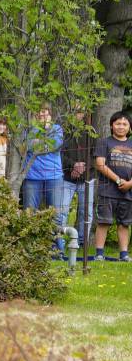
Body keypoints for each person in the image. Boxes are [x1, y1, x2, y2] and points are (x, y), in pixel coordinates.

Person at [20, 104, 65, 255]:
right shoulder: (27, 129)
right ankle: (29, 249)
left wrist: (38, 142)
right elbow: (27, 146)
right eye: (39, 114)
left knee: (56, 215)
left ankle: (58, 249)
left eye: (45, 114)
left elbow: (54, 145)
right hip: (32, 177)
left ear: (51, 115)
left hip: (54, 177)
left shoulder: (57, 129)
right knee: (30, 214)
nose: (42, 117)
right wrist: (41, 137)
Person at [93, 111, 132, 262]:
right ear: (111, 125)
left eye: (124, 124)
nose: (121, 127)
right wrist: (118, 180)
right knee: (104, 221)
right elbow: (100, 165)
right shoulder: (105, 142)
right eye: (117, 123)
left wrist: (129, 184)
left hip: (127, 192)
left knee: (124, 224)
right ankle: (99, 254)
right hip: (107, 191)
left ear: (129, 127)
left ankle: (124, 254)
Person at [60, 109, 93, 253]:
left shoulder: (91, 132)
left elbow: (95, 155)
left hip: (87, 178)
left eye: (80, 112)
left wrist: (82, 167)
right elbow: (58, 155)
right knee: (62, 211)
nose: (77, 115)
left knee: (86, 212)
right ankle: (59, 244)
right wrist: (73, 165)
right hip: (67, 178)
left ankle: (81, 243)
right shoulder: (62, 132)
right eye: (73, 111)